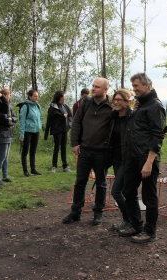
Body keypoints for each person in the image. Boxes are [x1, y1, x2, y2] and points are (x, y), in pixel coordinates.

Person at [118, 72, 166, 243]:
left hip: (146, 159)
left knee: (149, 196)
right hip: (133, 157)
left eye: (137, 86)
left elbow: (157, 135)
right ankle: (136, 225)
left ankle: (150, 232)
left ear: (147, 86)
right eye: (133, 87)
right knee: (128, 191)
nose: (134, 89)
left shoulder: (155, 106)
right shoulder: (142, 104)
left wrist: (149, 162)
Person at [62, 77, 112, 225]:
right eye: (93, 86)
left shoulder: (111, 106)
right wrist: (74, 143)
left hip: (102, 152)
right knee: (80, 182)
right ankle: (76, 212)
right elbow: (76, 122)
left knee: (101, 183)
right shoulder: (86, 102)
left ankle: (98, 213)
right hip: (84, 150)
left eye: (97, 87)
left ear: (105, 90)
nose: (93, 89)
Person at [109, 89, 133, 231]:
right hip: (115, 159)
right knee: (122, 192)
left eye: (119, 100)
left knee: (116, 191)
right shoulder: (114, 117)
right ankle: (127, 220)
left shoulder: (132, 117)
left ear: (127, 102)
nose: (116, 102)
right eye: (115, 99)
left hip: (127, 160)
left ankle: (130, 219)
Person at [44, 90, 73, 173]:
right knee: (57, 147)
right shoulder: (52, 107)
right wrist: (46, 133)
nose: (65, 97)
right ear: (60, 97)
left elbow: (70, 117)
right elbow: (49, 120)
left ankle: (65, 166)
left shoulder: (65, 106)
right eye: (64, 96)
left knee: (64, 148)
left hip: (64, 129)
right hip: (57, 130)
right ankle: (54, 166)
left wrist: (69, 125)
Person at [0, 88, 18, 185]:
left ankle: (5, 175)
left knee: (6, 157)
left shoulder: (9, 107)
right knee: (2, 156)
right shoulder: (0, 106)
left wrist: (11, 119)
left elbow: (15, 118)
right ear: (4, 95)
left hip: (9, 134)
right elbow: (5, 121)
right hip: (2, 134)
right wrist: (10, 120)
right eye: (8, 95)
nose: (9, 96)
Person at [19, 89, 43, 177]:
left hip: (36, 131)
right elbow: (22, 121)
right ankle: (25, 170)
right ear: (30, 96)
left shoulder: (37, 106)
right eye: (35, 96)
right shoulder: (25, 106)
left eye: (37, 96)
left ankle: (33, 169)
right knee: (25, 151)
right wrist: (21, 135)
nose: (37, 98)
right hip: (27, 131)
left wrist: (40, 125)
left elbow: (40, 117)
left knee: (33, 151)